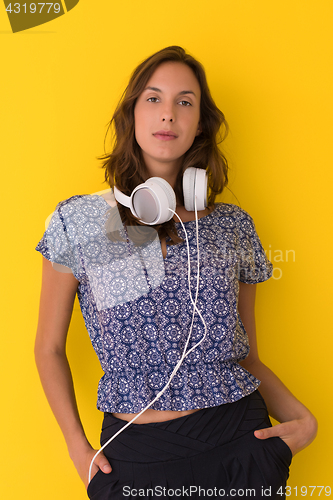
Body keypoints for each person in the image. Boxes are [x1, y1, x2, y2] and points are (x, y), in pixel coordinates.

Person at [35, 46, 317, 500]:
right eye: (153, 98)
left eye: (184, 101)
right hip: (133, 455)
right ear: (132, 113)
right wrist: (76, 446)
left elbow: (246, 354)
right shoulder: (81, 221)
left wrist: (304, 423)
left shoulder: (230, 226)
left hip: (238, 441)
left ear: (200, 123)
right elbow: (47, 348)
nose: (168, 114)